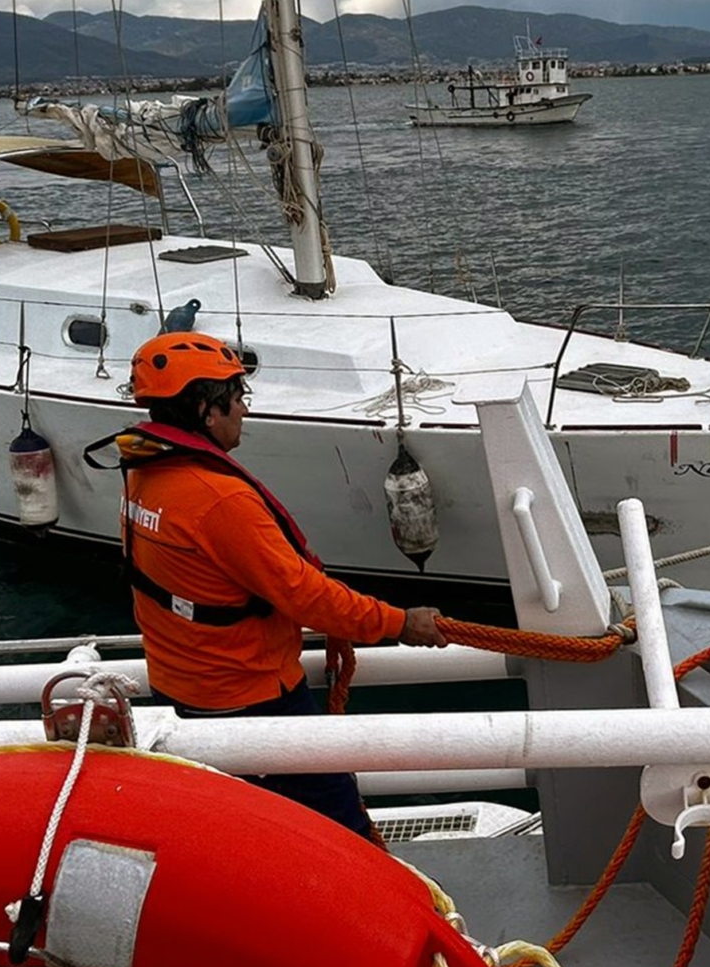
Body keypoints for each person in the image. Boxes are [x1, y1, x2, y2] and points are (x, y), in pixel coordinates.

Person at [92, 331, 445, 838]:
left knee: (250, 830)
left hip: (183, 689)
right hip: (252, 696)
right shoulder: (217, 499)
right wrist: (400, 623)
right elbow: (303, 594)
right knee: (342, 830)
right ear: (206, 411)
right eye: (237, 397)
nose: (244, 411)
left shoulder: (144, 473)